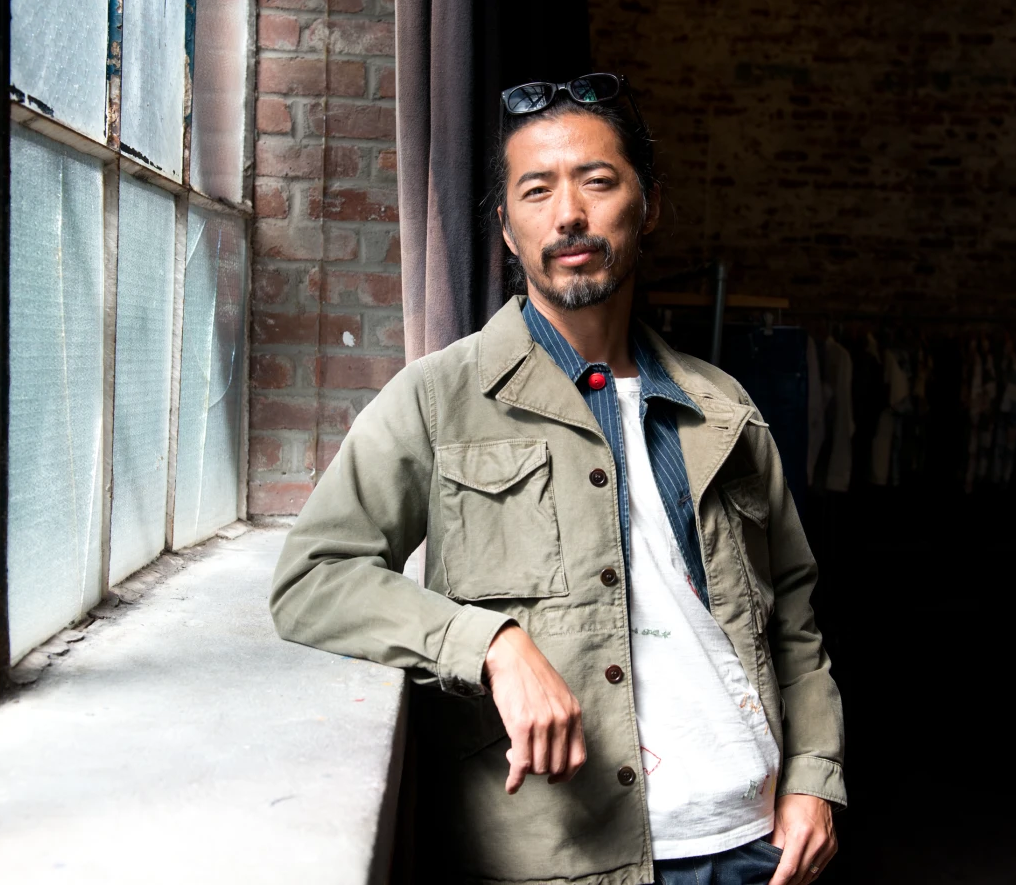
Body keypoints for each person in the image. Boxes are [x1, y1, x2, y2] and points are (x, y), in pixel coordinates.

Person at [271, 73, 846, 885]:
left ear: (649, 206)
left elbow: (792, 617)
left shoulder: (726, 410)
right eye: (536, 191)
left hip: (754, 843)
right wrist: (491, 644)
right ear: (508, 230)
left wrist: (814, 776)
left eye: (597, 182)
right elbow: (313, 579)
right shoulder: (439, 398)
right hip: (561, 855)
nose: (568, 213)